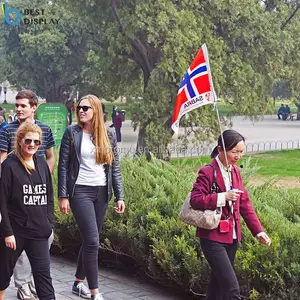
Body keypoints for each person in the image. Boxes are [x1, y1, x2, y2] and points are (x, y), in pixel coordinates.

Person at [58, 94, 125, 300]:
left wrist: (120, 195)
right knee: (93, 241)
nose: (81, 111)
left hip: (102, 193)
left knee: (90, 241)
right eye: (79, 108)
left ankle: (78, 283)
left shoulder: (109, 134)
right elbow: (63, 165)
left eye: (86, 108)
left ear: (95, 110)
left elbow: (114, 168)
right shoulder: (72, 133)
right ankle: (95, 292)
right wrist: (63, 195)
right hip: (80, 192)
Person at [190, 129, 271, 300]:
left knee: (217, 287)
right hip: (212, 238)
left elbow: (245, 204)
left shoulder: (235, 172)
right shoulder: (207, 171)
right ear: (220, 149)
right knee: (231, 288)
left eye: (241, 152)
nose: (238, 156)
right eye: (234, 151)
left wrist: (259, 231)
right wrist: (222, 197)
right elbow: (196, 200)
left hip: (232, 238)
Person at [0, 90, 55, 300]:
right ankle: (19, 286)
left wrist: (48, 221)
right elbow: (3, 199)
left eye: (36, 142)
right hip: (15, 228)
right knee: (3, 274)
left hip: (39, 229)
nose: (32, 145)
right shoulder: (10, 163)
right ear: (20, 141)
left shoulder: (41, 161)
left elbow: (48, 194)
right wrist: (7, 231)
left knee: (44, 277)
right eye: (28, 141)